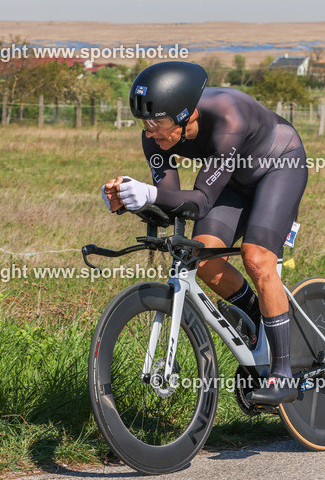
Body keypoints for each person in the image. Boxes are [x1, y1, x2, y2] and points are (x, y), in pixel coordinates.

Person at [101, 61, 308, 405]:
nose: (151, 133)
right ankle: (257, 315)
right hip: (231, 181)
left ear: (188, 115)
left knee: (256, 258)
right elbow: (173, 205)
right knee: (203, 260)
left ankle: (283, 373)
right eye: (145, 124)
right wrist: (128, 200)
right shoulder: (156, 136)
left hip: (278, 168)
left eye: (159, 124)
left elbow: (200, 201)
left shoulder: (229, 118)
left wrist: (149, 194)